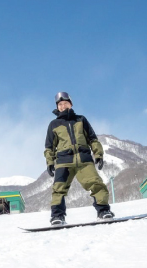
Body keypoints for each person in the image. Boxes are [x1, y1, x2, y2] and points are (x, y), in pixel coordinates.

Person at [43, 92, 112, 225]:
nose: (63, 106)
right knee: (58, 189)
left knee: (96, 184)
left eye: (65, 103)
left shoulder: (81, 120)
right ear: (58, 107)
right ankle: (57, 216)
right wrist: (50, 162)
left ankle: (103, 211)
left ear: (71, 104)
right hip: (64, 162)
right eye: (60, 104)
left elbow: (92, 138)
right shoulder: (54, 124)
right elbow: (49, 146)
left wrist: (98, 154)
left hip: (84, 159)